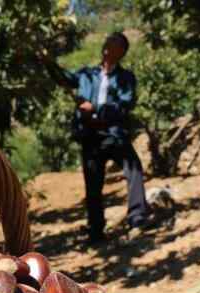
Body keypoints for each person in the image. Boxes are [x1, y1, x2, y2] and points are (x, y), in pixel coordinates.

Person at [44, 32, 150, 245]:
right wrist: (48, 62)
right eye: (107, 42)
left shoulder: (125, 78)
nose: (107, 47)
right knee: (93, 184)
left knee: (134, 169)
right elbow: (65, 78)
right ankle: (96, 231)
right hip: (90, 135)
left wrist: (97, 109)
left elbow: (125, 104)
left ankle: (137, 219)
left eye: (114, 44)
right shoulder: (87, 74)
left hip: (113, 133)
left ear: (122, 52)